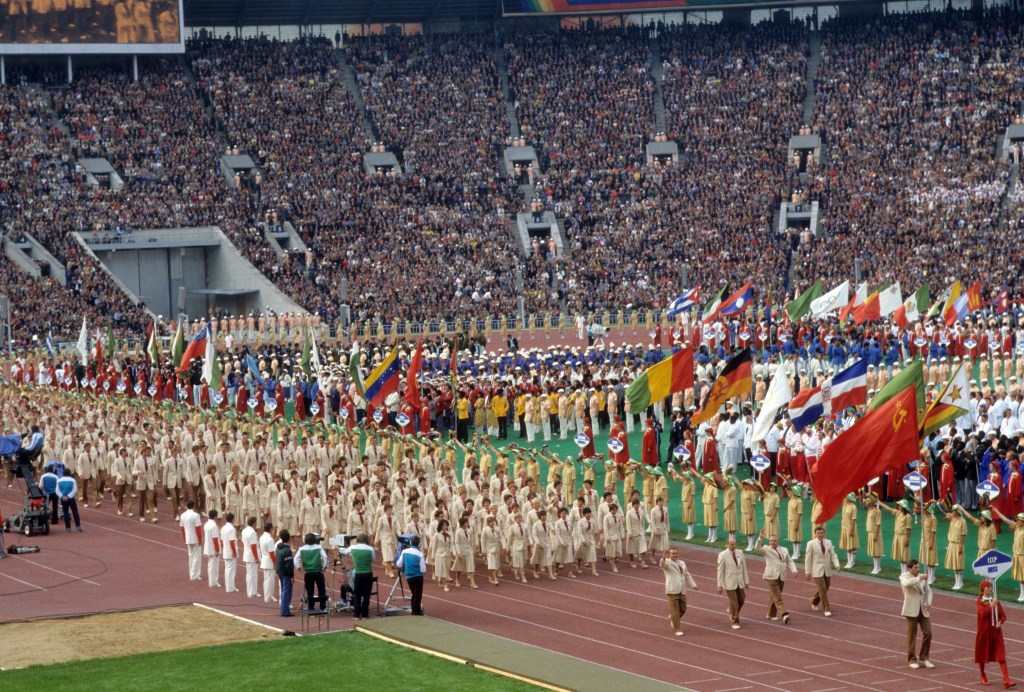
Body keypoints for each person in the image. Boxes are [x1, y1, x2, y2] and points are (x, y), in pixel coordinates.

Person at [975, 579, 1014, 687]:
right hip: (984, 633)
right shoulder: (980, 601)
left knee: (1001, 655)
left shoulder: (995, 600)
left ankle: (1006, 679)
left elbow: (1003, 615)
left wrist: (1000, 622)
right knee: (982, 655)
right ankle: (983, 674)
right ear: (983, 588)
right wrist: (991, 605)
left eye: (991, 587)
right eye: (988, 587)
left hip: (996, 633)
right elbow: (983, 613)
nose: (990, 589)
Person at [756, 530, 796, 624]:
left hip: (781, 575)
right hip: (771, 576)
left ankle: (771, 614)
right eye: (771, 541)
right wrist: (760, 538)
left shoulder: (784, 550)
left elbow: (789, 561)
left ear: (778, 541)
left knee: (774, 595)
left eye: (774, 541)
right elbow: (757, 548)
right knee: (778, 596)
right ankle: (784, 614)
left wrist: (794, 570)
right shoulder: (766, 549)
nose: (772, 542)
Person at [900, 559, 934, 670]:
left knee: (928, 632)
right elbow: (907, 583)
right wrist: (920, 578)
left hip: (923, 609)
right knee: (912, 635)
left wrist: (928, 601)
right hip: (911, 609)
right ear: (910, 568)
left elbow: (928, 590)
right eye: (915, 568)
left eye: (918, 567)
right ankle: (912, 659)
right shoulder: (904, 576)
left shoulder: (921, 577)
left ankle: (924, 658)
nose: (917, 569)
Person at [659, 546, 698, 636]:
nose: (675, 555)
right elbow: (662, 565)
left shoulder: (682, 563)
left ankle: (673, 618)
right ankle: (677, 629)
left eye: (676, 553)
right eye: (673, 553)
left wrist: (693, 585)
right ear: (669, 554)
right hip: (672, 590)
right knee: (675, 611)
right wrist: (663, 558)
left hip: (681, 590)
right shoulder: (667, 563)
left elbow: (687, 574)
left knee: (683, 609)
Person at [804, 524, 840, 617]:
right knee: (823, 589)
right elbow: (808, 559)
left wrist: (837, 564)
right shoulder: (811, 544)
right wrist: (807, 572)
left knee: (826, 587)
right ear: (815, 534)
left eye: (822, 533)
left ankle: (814, 601)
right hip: (817, 570)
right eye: (818, 533)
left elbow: (833, 554)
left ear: (824, 533)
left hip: (827, 569)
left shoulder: (828, 542)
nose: (820, 534)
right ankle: (826, 608)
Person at [717, 536, 749, 629]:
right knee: (734, 602)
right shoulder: (722, 555)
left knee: (742, 599)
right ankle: (735, 621)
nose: (734, 546)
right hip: (729, 582)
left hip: (740, 582)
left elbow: (744, 568)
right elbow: (720, 571)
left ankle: (731, 610)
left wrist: (746, 581)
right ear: (727, 544)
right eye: (732, 544)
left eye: (735, 544)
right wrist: (720, 585)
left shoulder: (740, 553)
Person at [341, 532, 375, 620]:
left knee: (357, 594)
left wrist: (339, 547)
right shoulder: (370, 549)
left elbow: (343, 552)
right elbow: (373, 559)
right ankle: (364, 615)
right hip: (368, 573)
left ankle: (356, 614)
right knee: (366, 594)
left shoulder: (353, 548)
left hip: (358, 573)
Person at [398, 535, 426, 615]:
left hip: (409, 577)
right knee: (417, 595)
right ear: (418, 544)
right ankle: (416, 612)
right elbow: (423, 569)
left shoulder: (404, 552)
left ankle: (415, 611)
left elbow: (399, 564)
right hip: (418, 576)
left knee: (414, 594)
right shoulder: (420, 554)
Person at [179, 500, 203, 581]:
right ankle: (195, 575)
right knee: (197, 557)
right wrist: (200, 539)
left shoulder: (182, 515)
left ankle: (192, 574)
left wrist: (184, 539)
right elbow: (198, 528)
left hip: (188, 538)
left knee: (191, 556)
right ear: (193, 506)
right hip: (195, 538)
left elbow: (182, 529)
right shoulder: (196, 515)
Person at [275, 529, 295, 617]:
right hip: (285, 573)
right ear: (289, 539)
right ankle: (285, 611)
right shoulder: (287, 550)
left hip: (280, 571)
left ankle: (284, 609)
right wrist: (291, 575)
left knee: (284, 591)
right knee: (286, 592)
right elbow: (289, 565)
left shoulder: (278, 547)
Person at [258, 522, 278, 604]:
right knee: (270, 580)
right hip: (269, 561)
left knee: (266, 580)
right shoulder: (270, 539)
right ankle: (269, 597)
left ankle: (267, 596)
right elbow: (271, 553)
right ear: (271, 529)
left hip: (264, 560)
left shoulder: (262, 537)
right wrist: (275, 562)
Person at [241, 516, 261, 598]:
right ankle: (252, 592)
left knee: (249, 574)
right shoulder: (252, 533)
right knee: (253, 574)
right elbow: (253, 546)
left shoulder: (244, 530)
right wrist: (256, 557)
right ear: (254, 523)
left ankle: (250, 591)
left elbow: (243, 543)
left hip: (247, 554)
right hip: (252, 556)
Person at [221, 512, 239, 593]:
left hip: (225, 550)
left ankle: (229, 586)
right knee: (231, 570)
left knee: (227, 569)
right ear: (233, 519)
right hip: (230, 551)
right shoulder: (232, 529)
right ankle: (230, 587)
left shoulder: (223, 528)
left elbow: (221, 541)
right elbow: (232, 541)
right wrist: (234, 552)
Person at [203, 509, 222, 588]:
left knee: (210, 565)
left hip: (208, 547)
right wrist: (217, 550)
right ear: (215, 516)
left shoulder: (206, 524)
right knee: (214, 566)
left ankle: (211, 581)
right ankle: (214, 582)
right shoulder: (214, 526)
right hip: (213, 548)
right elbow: (215, 538)